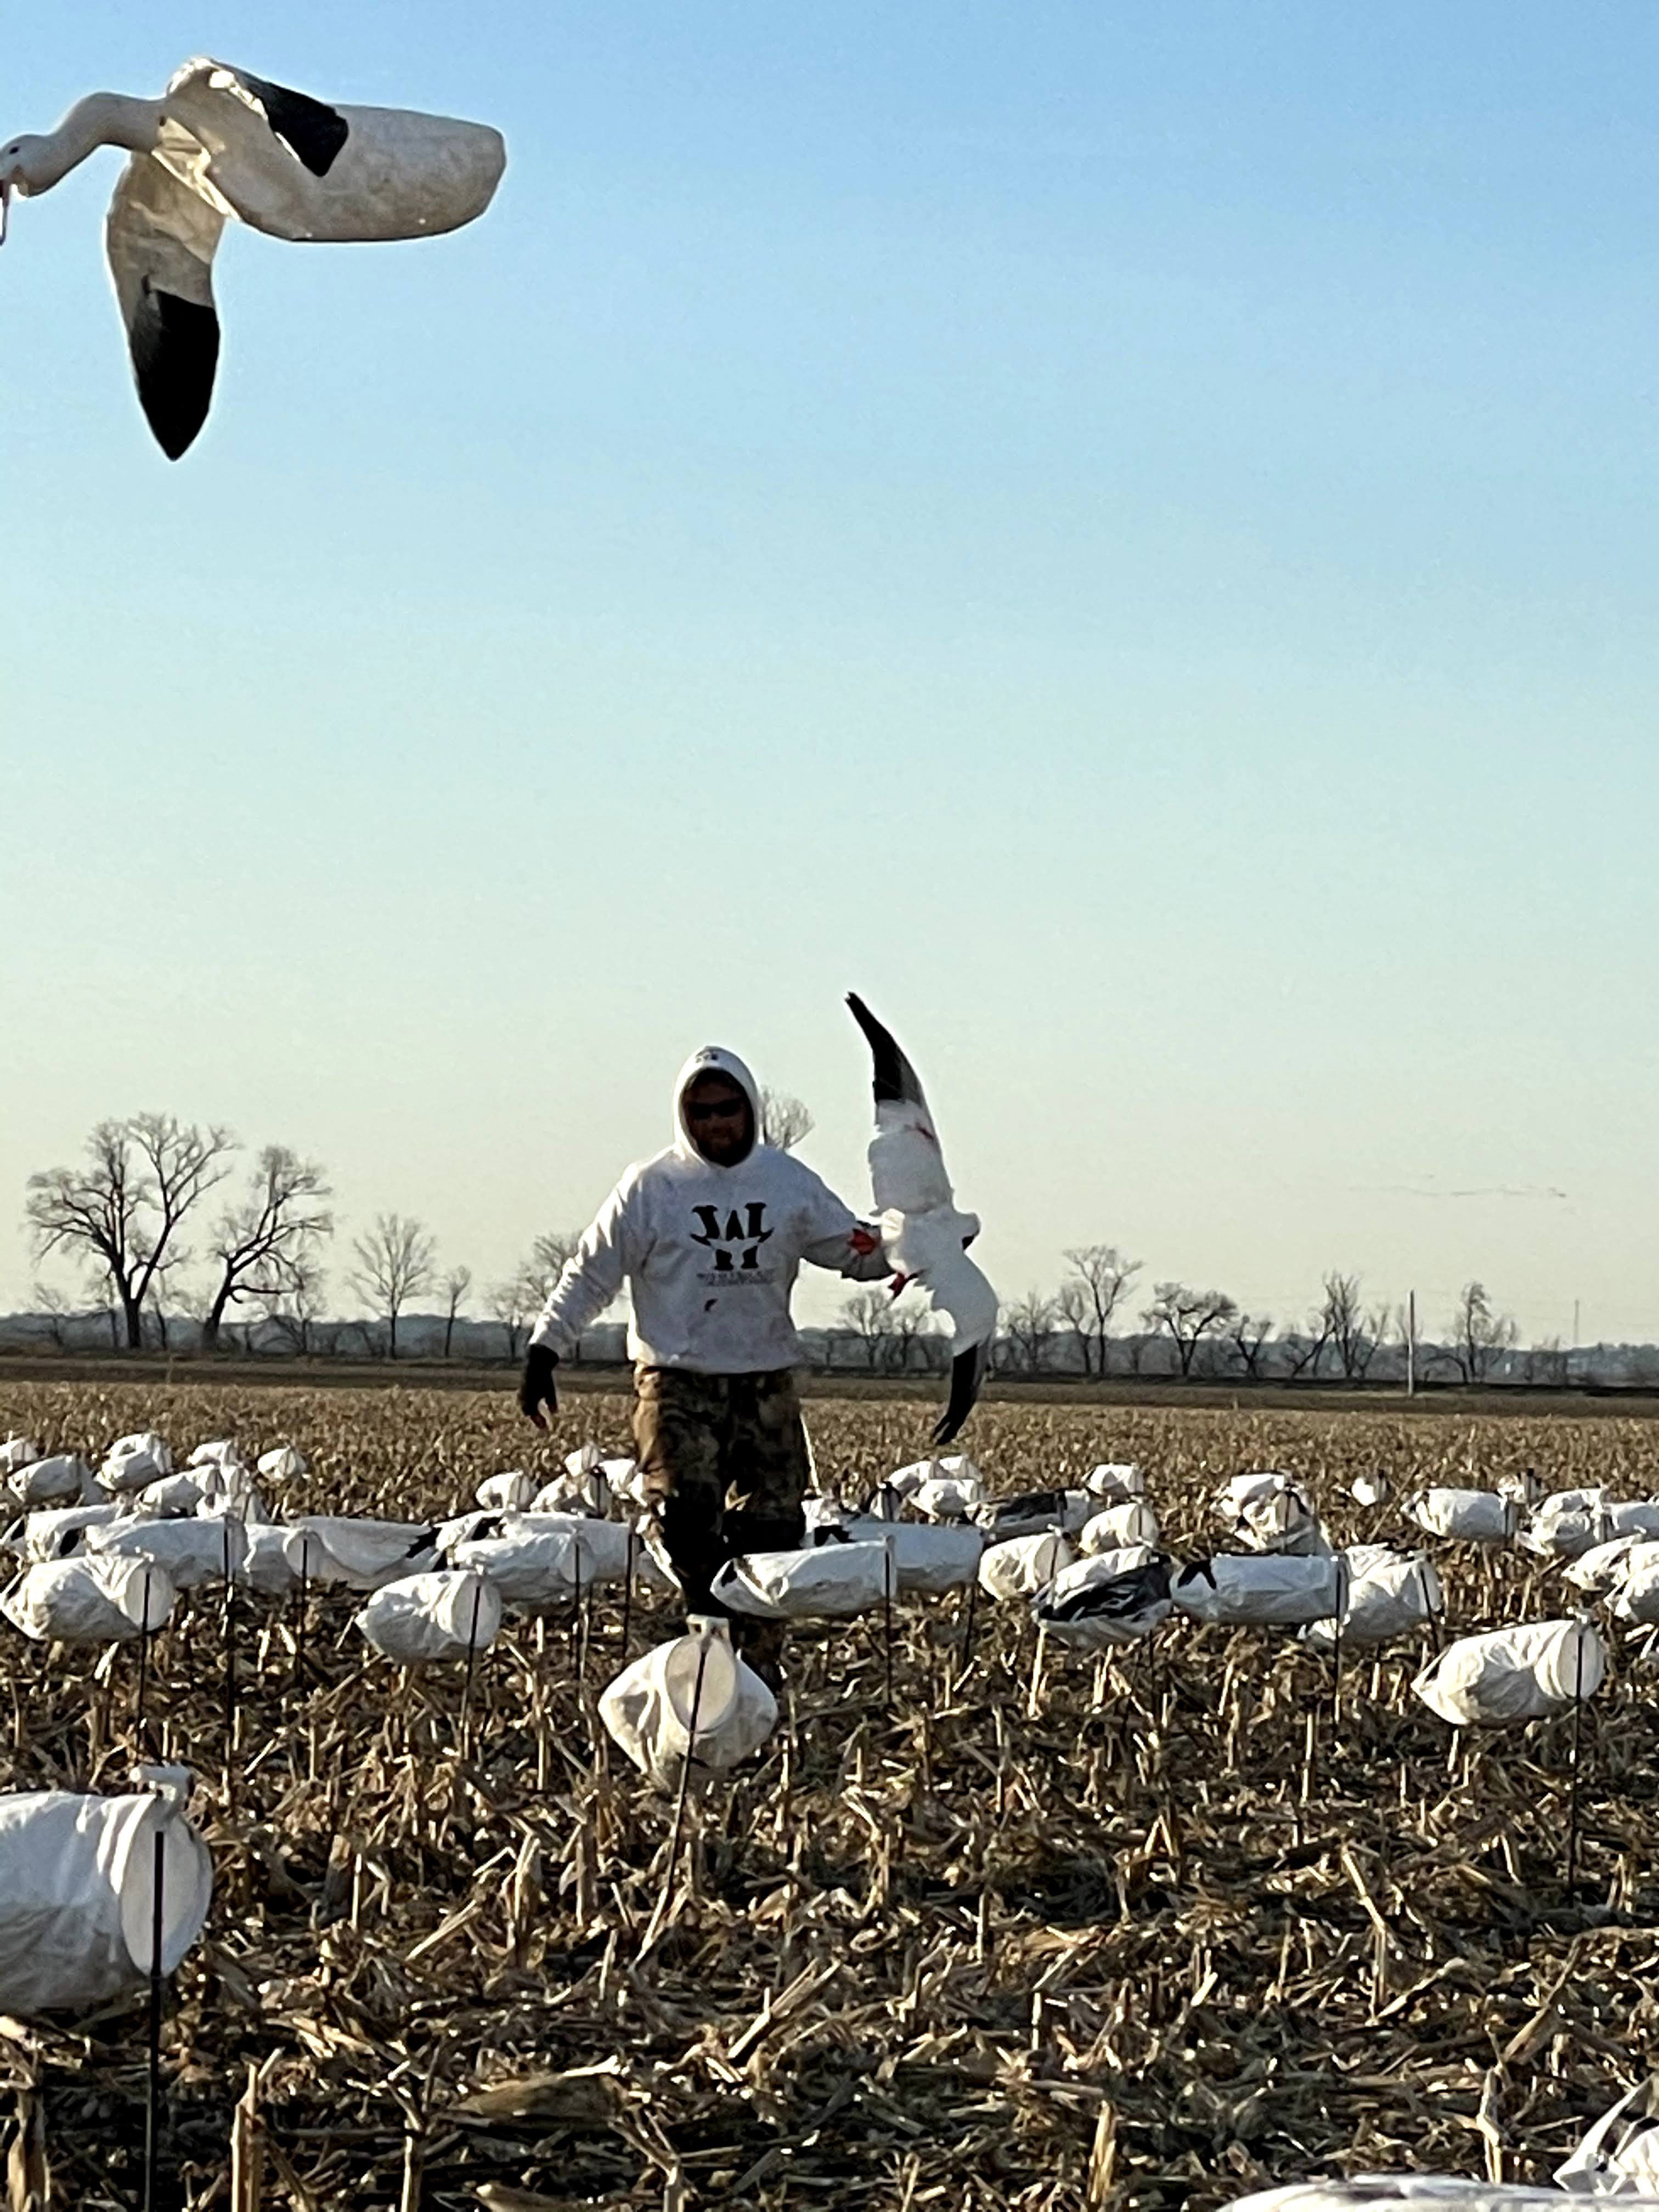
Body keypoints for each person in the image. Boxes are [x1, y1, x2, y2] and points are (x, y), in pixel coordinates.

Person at [518, 1044, 888, 1674]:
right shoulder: (652, 1188)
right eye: (702, 1112)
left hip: (765, 1380)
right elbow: (591, 1273)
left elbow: (853, 1250)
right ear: (683, 1116)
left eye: (727, 1110)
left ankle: (758, 1673)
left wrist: (918, 1247)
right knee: (687, 1516)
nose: (717, 1124)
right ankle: (706, 1648)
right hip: (677, 1379)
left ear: (751, 1109)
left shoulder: (787, 1182)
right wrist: (545, 1348)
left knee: (774, 1531)